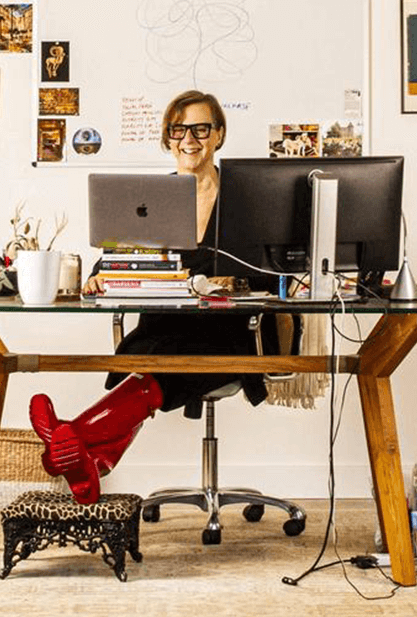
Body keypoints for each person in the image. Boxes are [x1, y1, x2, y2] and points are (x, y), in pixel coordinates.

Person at [29, 90, 297, 504]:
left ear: (219, 134)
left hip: (231, 331)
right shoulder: (151, 197)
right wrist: (100, 278)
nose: (189, 138)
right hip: (165, 323)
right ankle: (92, 457)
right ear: (168, 138)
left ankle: (76, 437)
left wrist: (235, 283)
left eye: (200, 128)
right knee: (152, 351)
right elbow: (116, 257)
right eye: (178, 129)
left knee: (165, 359)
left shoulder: (250, 198)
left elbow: (279, 269)